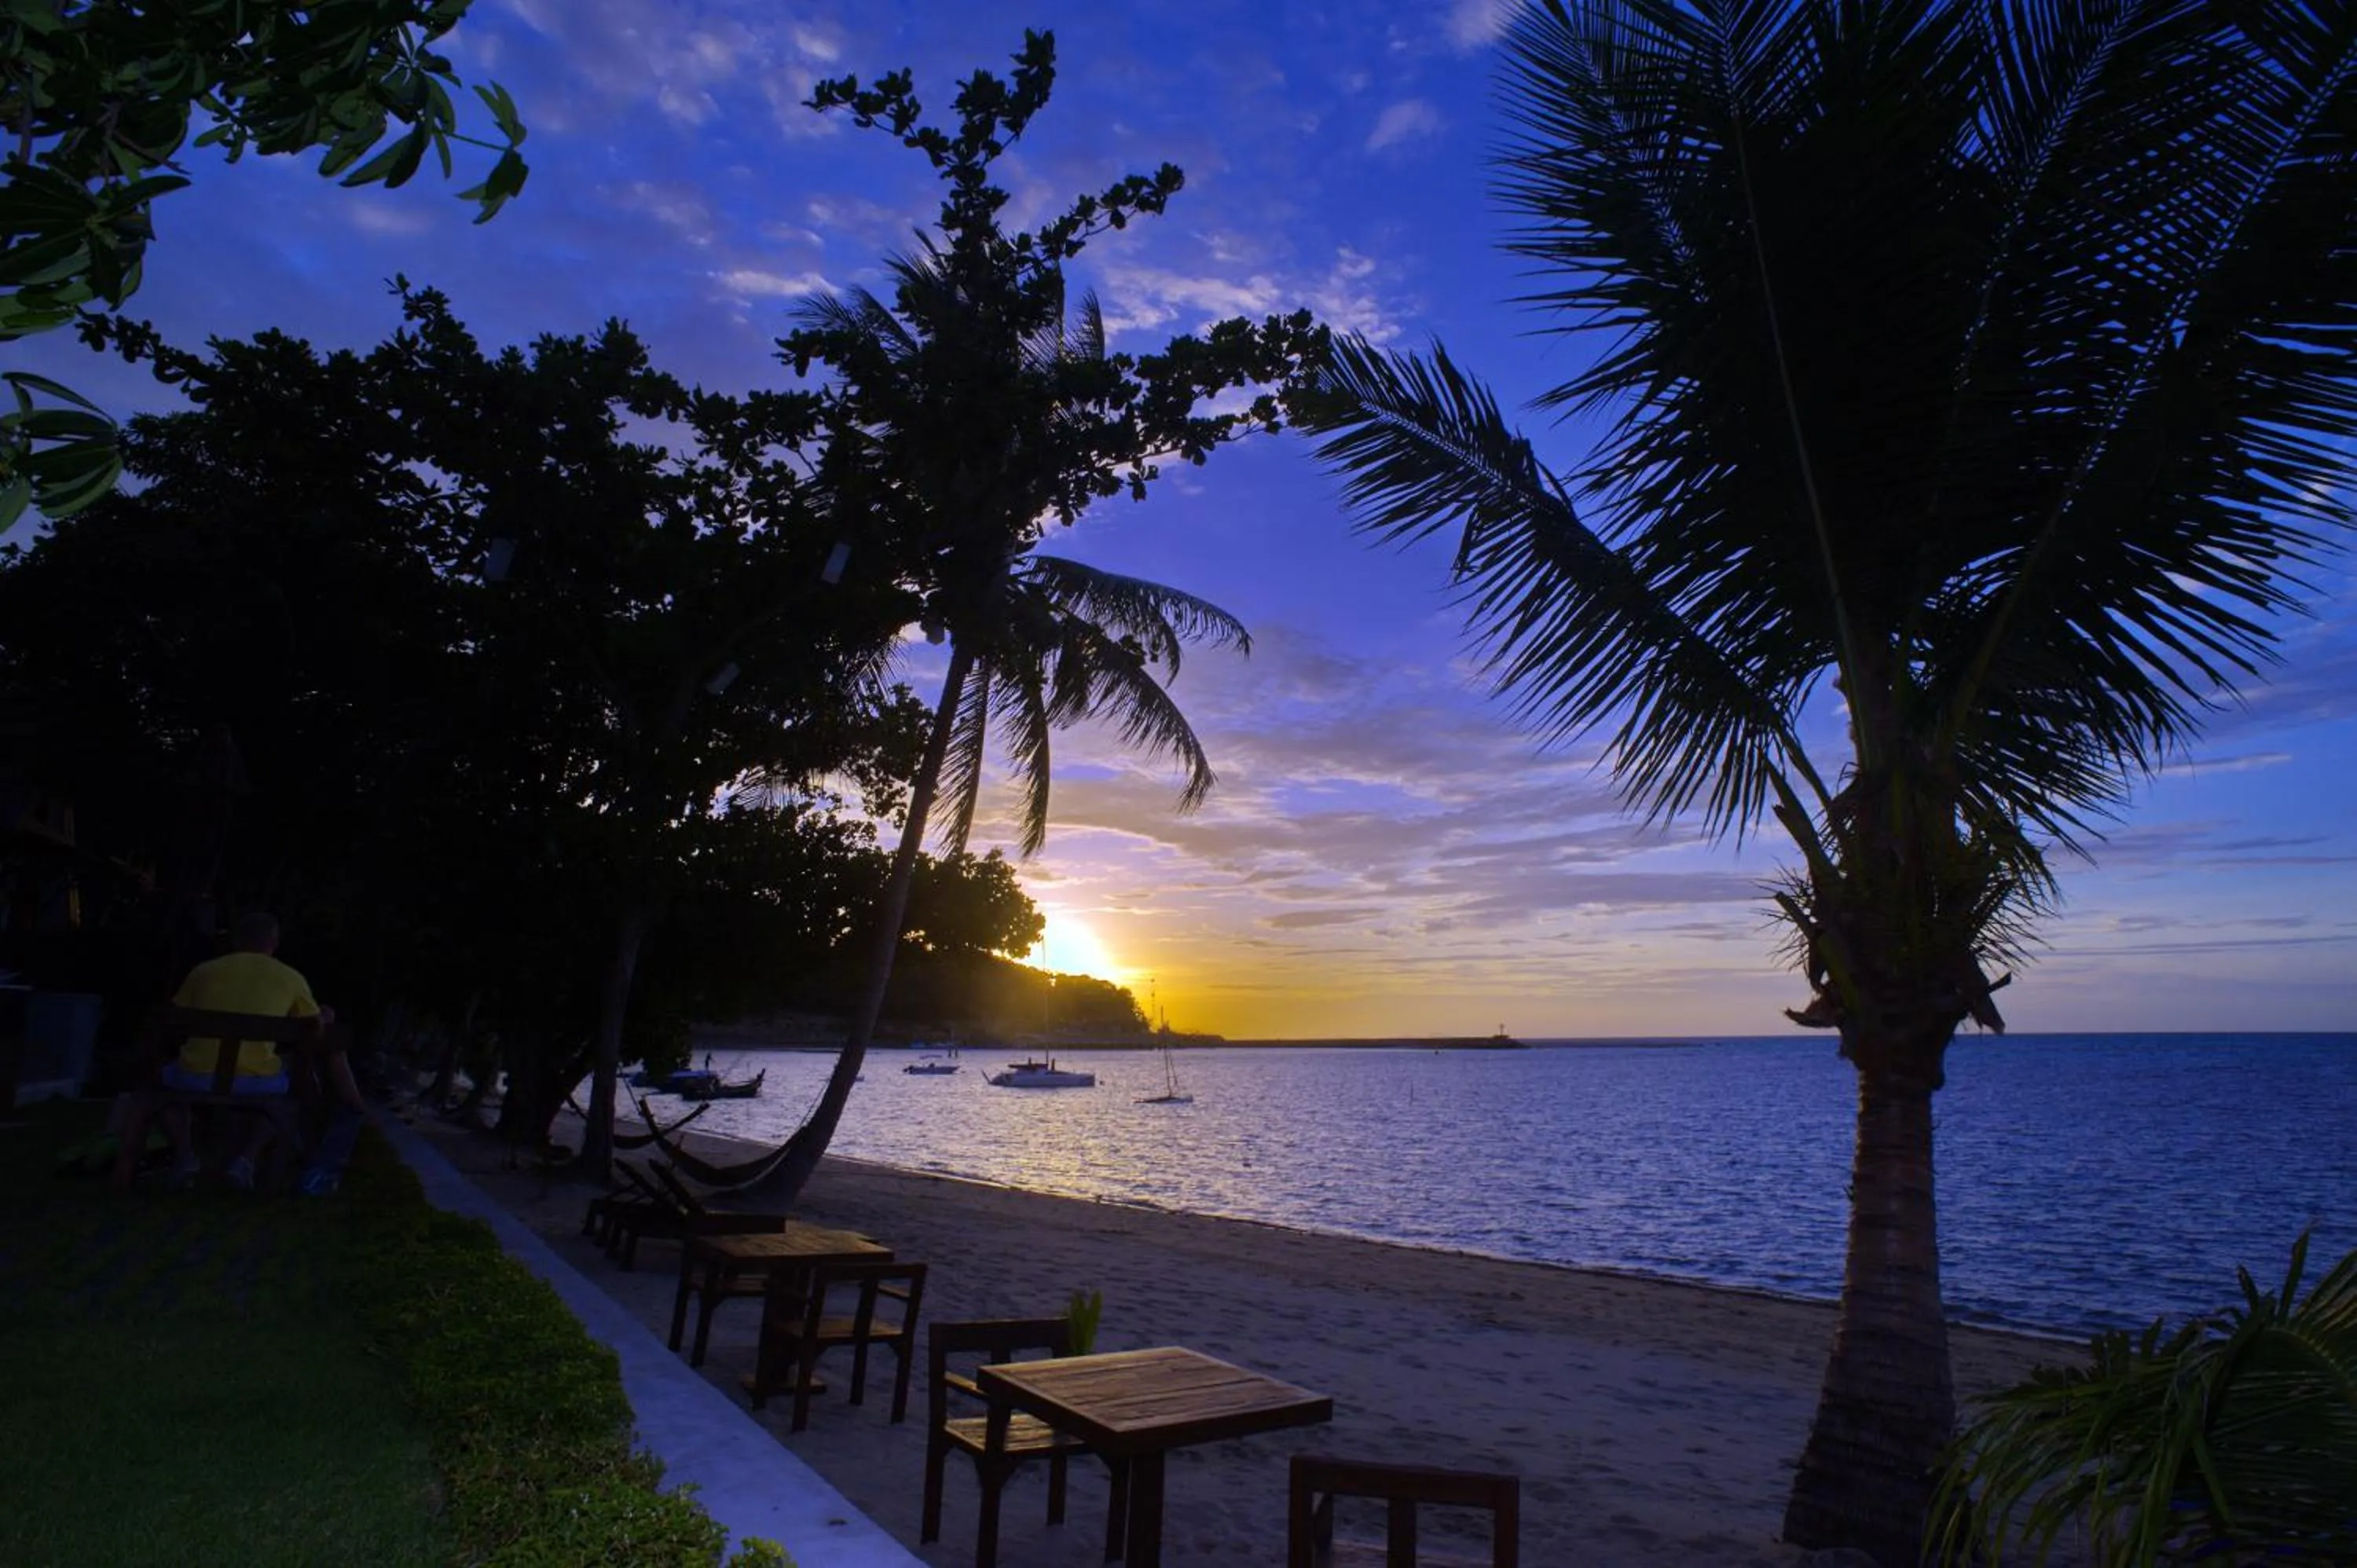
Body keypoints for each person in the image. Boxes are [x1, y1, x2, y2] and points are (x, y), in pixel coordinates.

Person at [163, 911, 363, 1193]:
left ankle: (185, 1156)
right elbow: (312, 1026)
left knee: (167, 1088)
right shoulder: (291, 979)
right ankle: (248, 1158)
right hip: (253, 1080)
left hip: (195, 1075)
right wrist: (325, 1017)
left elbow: (177, 1016)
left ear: (236, 940)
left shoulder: (203, 971)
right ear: (273, 942)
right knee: (284, 1091)